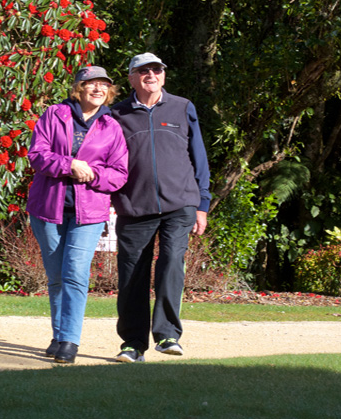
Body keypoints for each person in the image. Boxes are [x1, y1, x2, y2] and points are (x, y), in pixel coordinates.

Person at [110, 52, 211, 363]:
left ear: (164, 76)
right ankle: (132, 343)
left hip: (180, 203)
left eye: (156, 70)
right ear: (131, 78)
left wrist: (202, 203)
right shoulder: (116, 114)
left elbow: (199, 156)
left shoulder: (183, 107)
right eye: (143, 71)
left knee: (170, 262)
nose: (150, 75)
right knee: (131, 276)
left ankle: (167, 334)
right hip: (133, 206)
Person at [26, 65, 129, 364]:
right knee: (56, 276)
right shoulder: (54, 115)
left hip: (90, 213)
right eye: (90, 83)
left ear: (109, 92)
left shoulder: (112, 127)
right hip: (48, 209)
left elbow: (119, 174)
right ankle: (58, 336)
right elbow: (37, 155)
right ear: (78, 88)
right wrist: (69, 164)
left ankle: (70, 341)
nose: (97, 89)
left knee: (74, 273)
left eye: (103, 85)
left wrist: (92, 173)